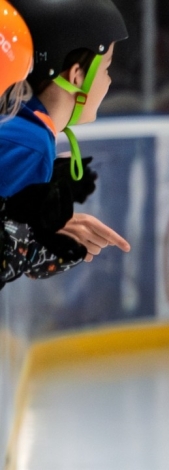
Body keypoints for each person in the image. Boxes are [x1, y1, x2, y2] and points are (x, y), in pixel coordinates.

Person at [0, 0, 131, 284]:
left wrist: (53, 235)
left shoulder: (21, 124)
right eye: (106, 67)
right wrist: (41, 231)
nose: (109, 81)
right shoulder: (30, 143)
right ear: (76, 75)